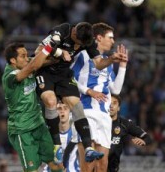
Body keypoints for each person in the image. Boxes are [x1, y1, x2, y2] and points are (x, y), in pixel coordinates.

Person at [35, 22, 127, 163]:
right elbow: (39, 51)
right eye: (77, 43)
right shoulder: (60, 32)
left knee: (76, 105)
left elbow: (99, 65)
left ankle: (88, 148)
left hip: (64, 75)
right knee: (51, 101)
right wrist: (60, 52)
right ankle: (56, 145)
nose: (78, 46)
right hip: (46, 72)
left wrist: (112, 60)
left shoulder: (87, 42)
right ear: (73, 33)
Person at [70, 22, 128, 172]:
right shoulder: (82, 56)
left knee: (102, 165)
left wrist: (122, 66)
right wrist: (89, 91)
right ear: (99, 38)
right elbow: (69, 80)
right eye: (110, 37)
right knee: (88, 165)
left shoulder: (107, 63)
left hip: (104, 115)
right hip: (85, 112)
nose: (113, 41)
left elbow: (116, 89)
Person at [2, 42, 63, 172]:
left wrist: (58, 52)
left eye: (26, 55)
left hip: (39, 124)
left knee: (57, 164)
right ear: (13, 60)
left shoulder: (27, 62)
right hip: (22, 130)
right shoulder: (9, 76)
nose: (26, 58)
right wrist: (47, 47)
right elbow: (32, 67)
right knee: (32, 170)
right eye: (23, 56)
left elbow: (51, 60)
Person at [108, 94, 152, 172]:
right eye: (108, 103)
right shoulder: (96, 122)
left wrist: (144, 141)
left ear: (118, 108)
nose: (111, 106)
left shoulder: (124, 124)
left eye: (114, 103)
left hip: (111, 169)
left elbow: (148, 137)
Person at [42, 102, 80, 172]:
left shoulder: (77, 132)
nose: (62, 111)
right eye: (59, 109)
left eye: (65, 108)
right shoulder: (47, 134)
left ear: (70, 112)